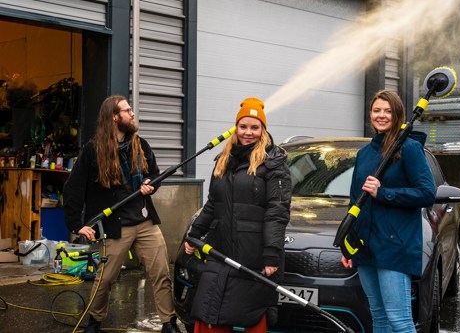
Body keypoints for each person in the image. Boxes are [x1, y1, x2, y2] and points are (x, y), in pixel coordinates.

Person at [63, 95, 180, 333]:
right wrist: (77, 224)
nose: (133, 114)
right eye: (127, 110)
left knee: (162, 274)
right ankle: (94, 322)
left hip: (145, 222)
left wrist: (151, 185)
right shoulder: (93, 151)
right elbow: (72, 189)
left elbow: (154, 175)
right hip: (116, 228)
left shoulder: (141, 145)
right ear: (115, 117)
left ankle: (169, 323)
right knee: (104, 280)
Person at [183, 97, 292, 333]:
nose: (248, 132)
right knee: (209, 310)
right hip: (221, 249)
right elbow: (213, 204)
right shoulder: (224, 160)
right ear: (236, 128)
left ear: (263, 130)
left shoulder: (273, 163)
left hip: (253, 253)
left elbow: (277, 211)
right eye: (243, 126)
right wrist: (194, 235)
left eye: (255, 127)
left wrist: (271, 254)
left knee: (251, 313)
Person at [341, 90, 436, 333]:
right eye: (376, 110)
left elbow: (427, 193)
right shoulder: (364, 154)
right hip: (365, 246)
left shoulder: (410, 149)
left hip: (395, 245)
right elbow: (355, 201)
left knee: (399, 320)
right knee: (379, 316)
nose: (381, 115)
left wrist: (384, 193)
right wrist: (347, 241)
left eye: (387, 111)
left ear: (397, 115)